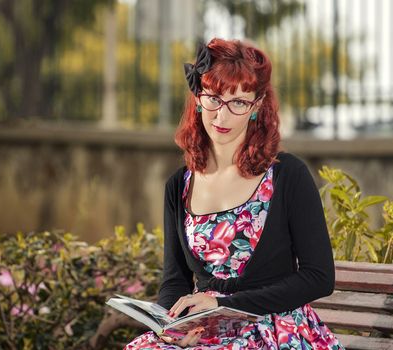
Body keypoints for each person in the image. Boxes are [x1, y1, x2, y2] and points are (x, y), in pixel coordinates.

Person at [124, 38, 344, 349]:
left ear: (256, 106)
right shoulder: (178, 185)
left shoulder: (287, 175)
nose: (221, 117)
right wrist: (172, 328)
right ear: (198, 98)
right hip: (203, 329)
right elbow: (175, 280)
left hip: (273, 326)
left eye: (238, 102)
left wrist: (224, 304)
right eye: (213, 98)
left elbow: (318, 276)